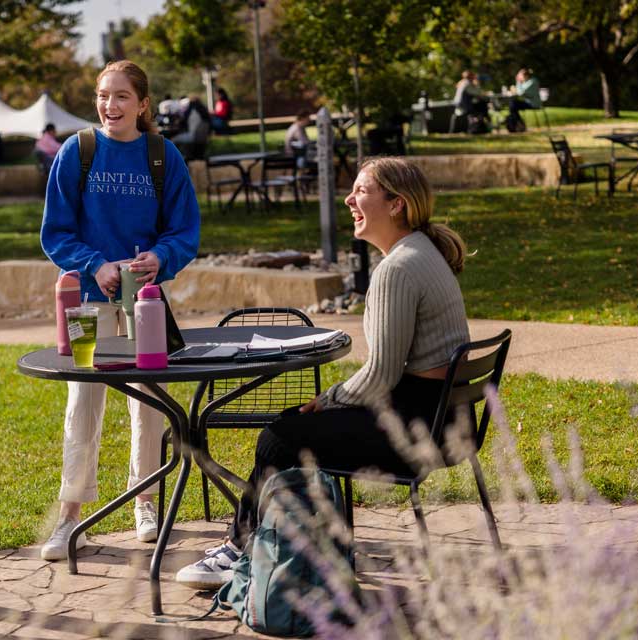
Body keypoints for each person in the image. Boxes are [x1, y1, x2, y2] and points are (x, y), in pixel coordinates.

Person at [175, 156, 470, 590]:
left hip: (417, 429)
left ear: (396, 205)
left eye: (361, 191)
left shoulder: (398, 268)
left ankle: (241, 550)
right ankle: (279, 545)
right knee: (292, 428)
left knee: (281, 436)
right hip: (442, 419)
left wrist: (327, 399)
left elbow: (380, 376)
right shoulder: (422, 253)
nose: (349, 199)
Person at [40, 60, 200, 561]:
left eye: (122, 97)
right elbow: (56, 233)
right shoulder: (77, 152)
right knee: (81, 404)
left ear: (143, 104)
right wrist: (95, 264)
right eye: (104, 96)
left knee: (150, 403)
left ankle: (144, 501)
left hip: (145, 304)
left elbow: (184, 231)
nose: (111, 106)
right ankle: (71, 517)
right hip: (88, 303)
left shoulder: (162, 156)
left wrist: (161, 256)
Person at [171, 95, 211, 161]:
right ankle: (185, 156)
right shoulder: (203, 111)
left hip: (193, 136)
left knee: (173, 140)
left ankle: (176, 160)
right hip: (203, 137)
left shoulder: (192, 111)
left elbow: (182, 123)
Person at [506, 68, 541, 133]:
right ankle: (518, 124)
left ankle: (519, 124)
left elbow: (520, 93)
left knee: (513, 105)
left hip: (533, 104)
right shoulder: (527, 82)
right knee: (513, 105)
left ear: (525, 75)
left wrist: (518, 81)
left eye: (519, 75)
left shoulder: (532, 81)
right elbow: (519, 91)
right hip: (528, 102)